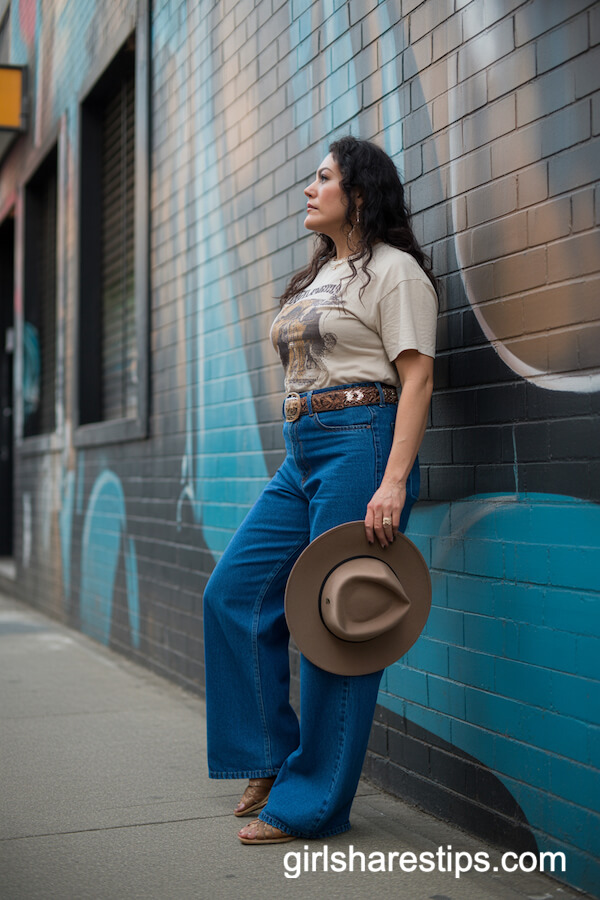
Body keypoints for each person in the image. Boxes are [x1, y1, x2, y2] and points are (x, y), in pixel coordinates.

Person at [202, 135, 438, 844]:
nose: (310, 188)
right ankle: (269, 757)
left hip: (362, 444)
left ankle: (314, 805)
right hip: (301, 452)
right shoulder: (318, 279)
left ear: (359, 193)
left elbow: (419, 377)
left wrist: (393, 479)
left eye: (324, 177)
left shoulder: (394, 274)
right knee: (233, 595)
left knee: (341, 628)